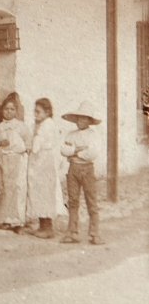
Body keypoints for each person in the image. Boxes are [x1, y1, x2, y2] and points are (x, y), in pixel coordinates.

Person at [60, 101, 103, 245]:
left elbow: (93, 153)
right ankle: (72, 232)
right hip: (73, 170)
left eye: (84, 118)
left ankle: (94, 233)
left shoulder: (93, 135)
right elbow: (64, 150)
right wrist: (76, 150)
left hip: (87, 170)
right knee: (73, 201)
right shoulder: (71, 134)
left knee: (91, 200)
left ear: (90, 121)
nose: (81, 121)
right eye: (78, 118)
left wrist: (75, 152)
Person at [25, 97, 63, 238]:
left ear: (47, 112)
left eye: (38, 112)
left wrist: (33, 137)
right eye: (35, 111)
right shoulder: (41, 124)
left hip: (44, 162)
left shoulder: (47, 125)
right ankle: (42, 225)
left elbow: (35, 146)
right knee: (39, 192)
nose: (36, 114)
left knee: (45, 193)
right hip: (40, 162)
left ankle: (47, 227)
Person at [0, 94, 31, 233]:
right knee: (2, 188)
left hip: (17, 159)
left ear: (16, 111)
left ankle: (17, 221)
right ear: (2, 111)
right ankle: (2, 219)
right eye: (6, 109)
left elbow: (28, 143)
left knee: (17, 188)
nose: (9, 112)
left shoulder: (21, 126)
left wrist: (23, 151)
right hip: (2, 159)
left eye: (12, 109)